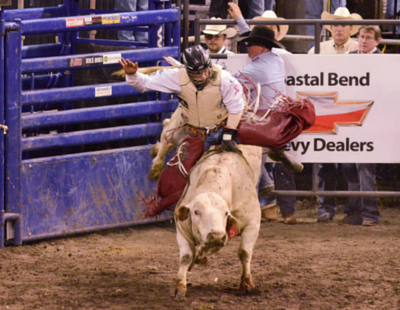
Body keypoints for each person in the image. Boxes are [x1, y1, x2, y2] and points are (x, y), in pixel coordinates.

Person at [119, 45, 244, 216]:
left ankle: (247, 205)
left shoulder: (226, 79)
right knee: (177, 178)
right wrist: (132, 74)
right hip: (196, 133)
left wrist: (229, 133)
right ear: (188, 71)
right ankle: (185, 211)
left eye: (204, 71)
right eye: (196, 73)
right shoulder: (177, 77)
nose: (202, 76)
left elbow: (236, 107)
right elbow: (145, 83)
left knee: (243, 162)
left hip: (223, 128)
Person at [234, 26, 301, 225]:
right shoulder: (276, 57)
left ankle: (255, 204)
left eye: (250, 44)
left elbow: (229, 81)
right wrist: (240, 21)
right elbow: (259, 36)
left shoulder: (257, 68)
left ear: (262, 48)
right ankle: (287, 211)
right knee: (280, 166)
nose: (247, 46)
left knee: (241, 150)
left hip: (264, 122)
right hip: (280, 119)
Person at [337, 25, 382, 226]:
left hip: (371, 121)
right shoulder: (350, 57)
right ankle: (354, 211)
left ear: (377, 41)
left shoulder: (384, 61)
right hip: (351, 119)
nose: (364, 41)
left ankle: (370, 213)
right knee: (348, 166)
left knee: (364, 168)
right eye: (361, 37)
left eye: (368, 38)